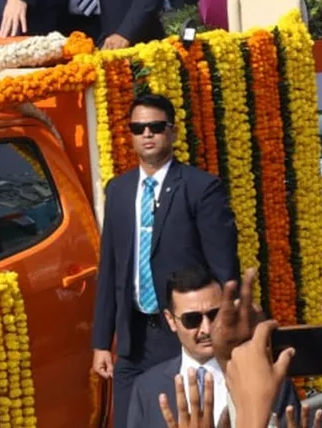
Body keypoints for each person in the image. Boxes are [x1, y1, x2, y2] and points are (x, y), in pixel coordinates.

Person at [90, 93, 238, 428]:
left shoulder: (201, 188)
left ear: (172, 131)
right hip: (134, 340)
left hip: (181, 335)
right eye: (138, 127)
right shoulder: (120, 190)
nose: (147, 134)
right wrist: (102, 343)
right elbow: (111, 269)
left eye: (156, 126)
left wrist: (222, 330)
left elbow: (224, 269)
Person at [125, 266, 299, 427]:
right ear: (171, 320)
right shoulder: (147, 388)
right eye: (192, 319)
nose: (206, 329)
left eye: (214, 315)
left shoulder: (269, 379)